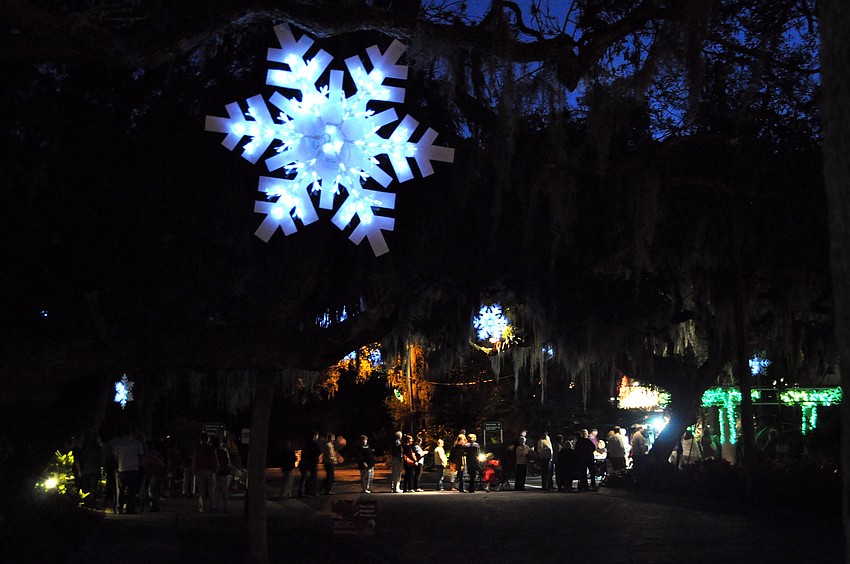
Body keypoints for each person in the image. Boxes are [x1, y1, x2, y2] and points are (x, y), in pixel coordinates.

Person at [113, 426, 145, 514]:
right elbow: (141, 456)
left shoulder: (119, 444)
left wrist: (121, 462)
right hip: (134, 469)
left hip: (122, 469)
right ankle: (130, 509)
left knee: (121, 490)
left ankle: (119, 508)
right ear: (131, 432)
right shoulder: (137, 443)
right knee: (132, 490)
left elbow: (116, 457)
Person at [73, 428, 101, 508]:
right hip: (94, 469)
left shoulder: (83, 448)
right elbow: (100, 458)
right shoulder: (97, 448)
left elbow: (79, 459)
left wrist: (80, 470)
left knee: (87, 487)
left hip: (86, 469)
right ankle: (92, 502)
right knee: (94, 487)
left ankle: (87, 502)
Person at [193, 433, 219, 513]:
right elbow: (215, 459)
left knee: (201, 490)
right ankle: (212, 506)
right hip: (210, 470)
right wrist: (215, 469)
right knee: (211, 490)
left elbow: (194, 459)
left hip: (200, 470)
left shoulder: (197, 448)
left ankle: (202, 507)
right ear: (208, 439)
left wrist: (195, 469)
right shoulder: (211, 448)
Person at [140, 439, 166, 512]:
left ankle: (154, 506)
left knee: (151, 491)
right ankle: (155, 506)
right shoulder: (156, 453)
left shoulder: (148, 455)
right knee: (155, 490)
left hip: (155, 473)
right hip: (159, 472)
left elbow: (148, 466)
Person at [298, 431, 321, 498]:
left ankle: (304, 492)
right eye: (316, 436)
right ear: (314, 436)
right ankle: (311, 492)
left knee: (305, 478)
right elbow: (319, 451)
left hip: (306, 462)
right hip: (311, 463)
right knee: (312, 478)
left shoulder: (306, 443)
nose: (317, 437)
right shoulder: (314, 444)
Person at [212, 436, 231, 512]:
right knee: (225, 492)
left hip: (216, 474)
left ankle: (216, 507)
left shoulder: (214, 452)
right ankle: (226, 508)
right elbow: (228, 463)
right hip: (224, 473)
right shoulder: (224, 451)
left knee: (216, 492)